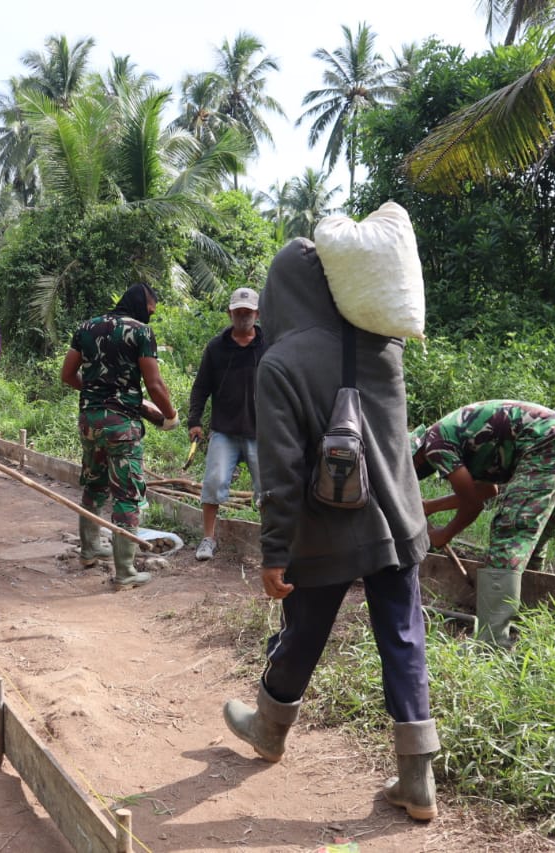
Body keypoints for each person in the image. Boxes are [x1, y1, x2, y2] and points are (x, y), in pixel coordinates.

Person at [221, 238, 440, 822]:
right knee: (403, 637)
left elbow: (283, 471)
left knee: (303, 630)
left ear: (281, 293)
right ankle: (418, 779)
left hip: (324, 532)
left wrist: (274, 552)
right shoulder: (384, 347)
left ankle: (269, 729)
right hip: (398, 523)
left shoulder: (279, 363)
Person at [411, 400, 555, 648]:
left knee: (510, 531)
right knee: (532, 538)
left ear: (413, 458)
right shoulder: (447, 437)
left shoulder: (435, 445)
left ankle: (490, 642)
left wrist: (444, 534)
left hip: (546, 443)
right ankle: (525, 622)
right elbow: (487, 490)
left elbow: (473, 506)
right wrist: (431, 506)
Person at [61, 282, 178, 588]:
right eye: (150, 309)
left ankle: (88, 549)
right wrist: (170, 415)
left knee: (94, 484)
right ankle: (125, 572)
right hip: (121, 425)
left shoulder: (86, 327)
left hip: (90, 422)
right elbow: (154, 385)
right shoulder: (140, 332)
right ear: (142, 304)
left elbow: (67, 375)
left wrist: (96, 392)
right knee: (127, 495)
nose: (150, 315)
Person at [186, 286, 266, 562]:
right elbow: (201, 387)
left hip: (262, 431)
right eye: (238, 312)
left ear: (257, 313)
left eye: (248, 313)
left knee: (268, 491)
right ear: (230, 313)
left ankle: (271, 543)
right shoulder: (216, 348)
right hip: (225, 430)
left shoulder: (269, 345)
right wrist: (194, 421)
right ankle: (208, 538)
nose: (243, 317)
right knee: (214, 482)